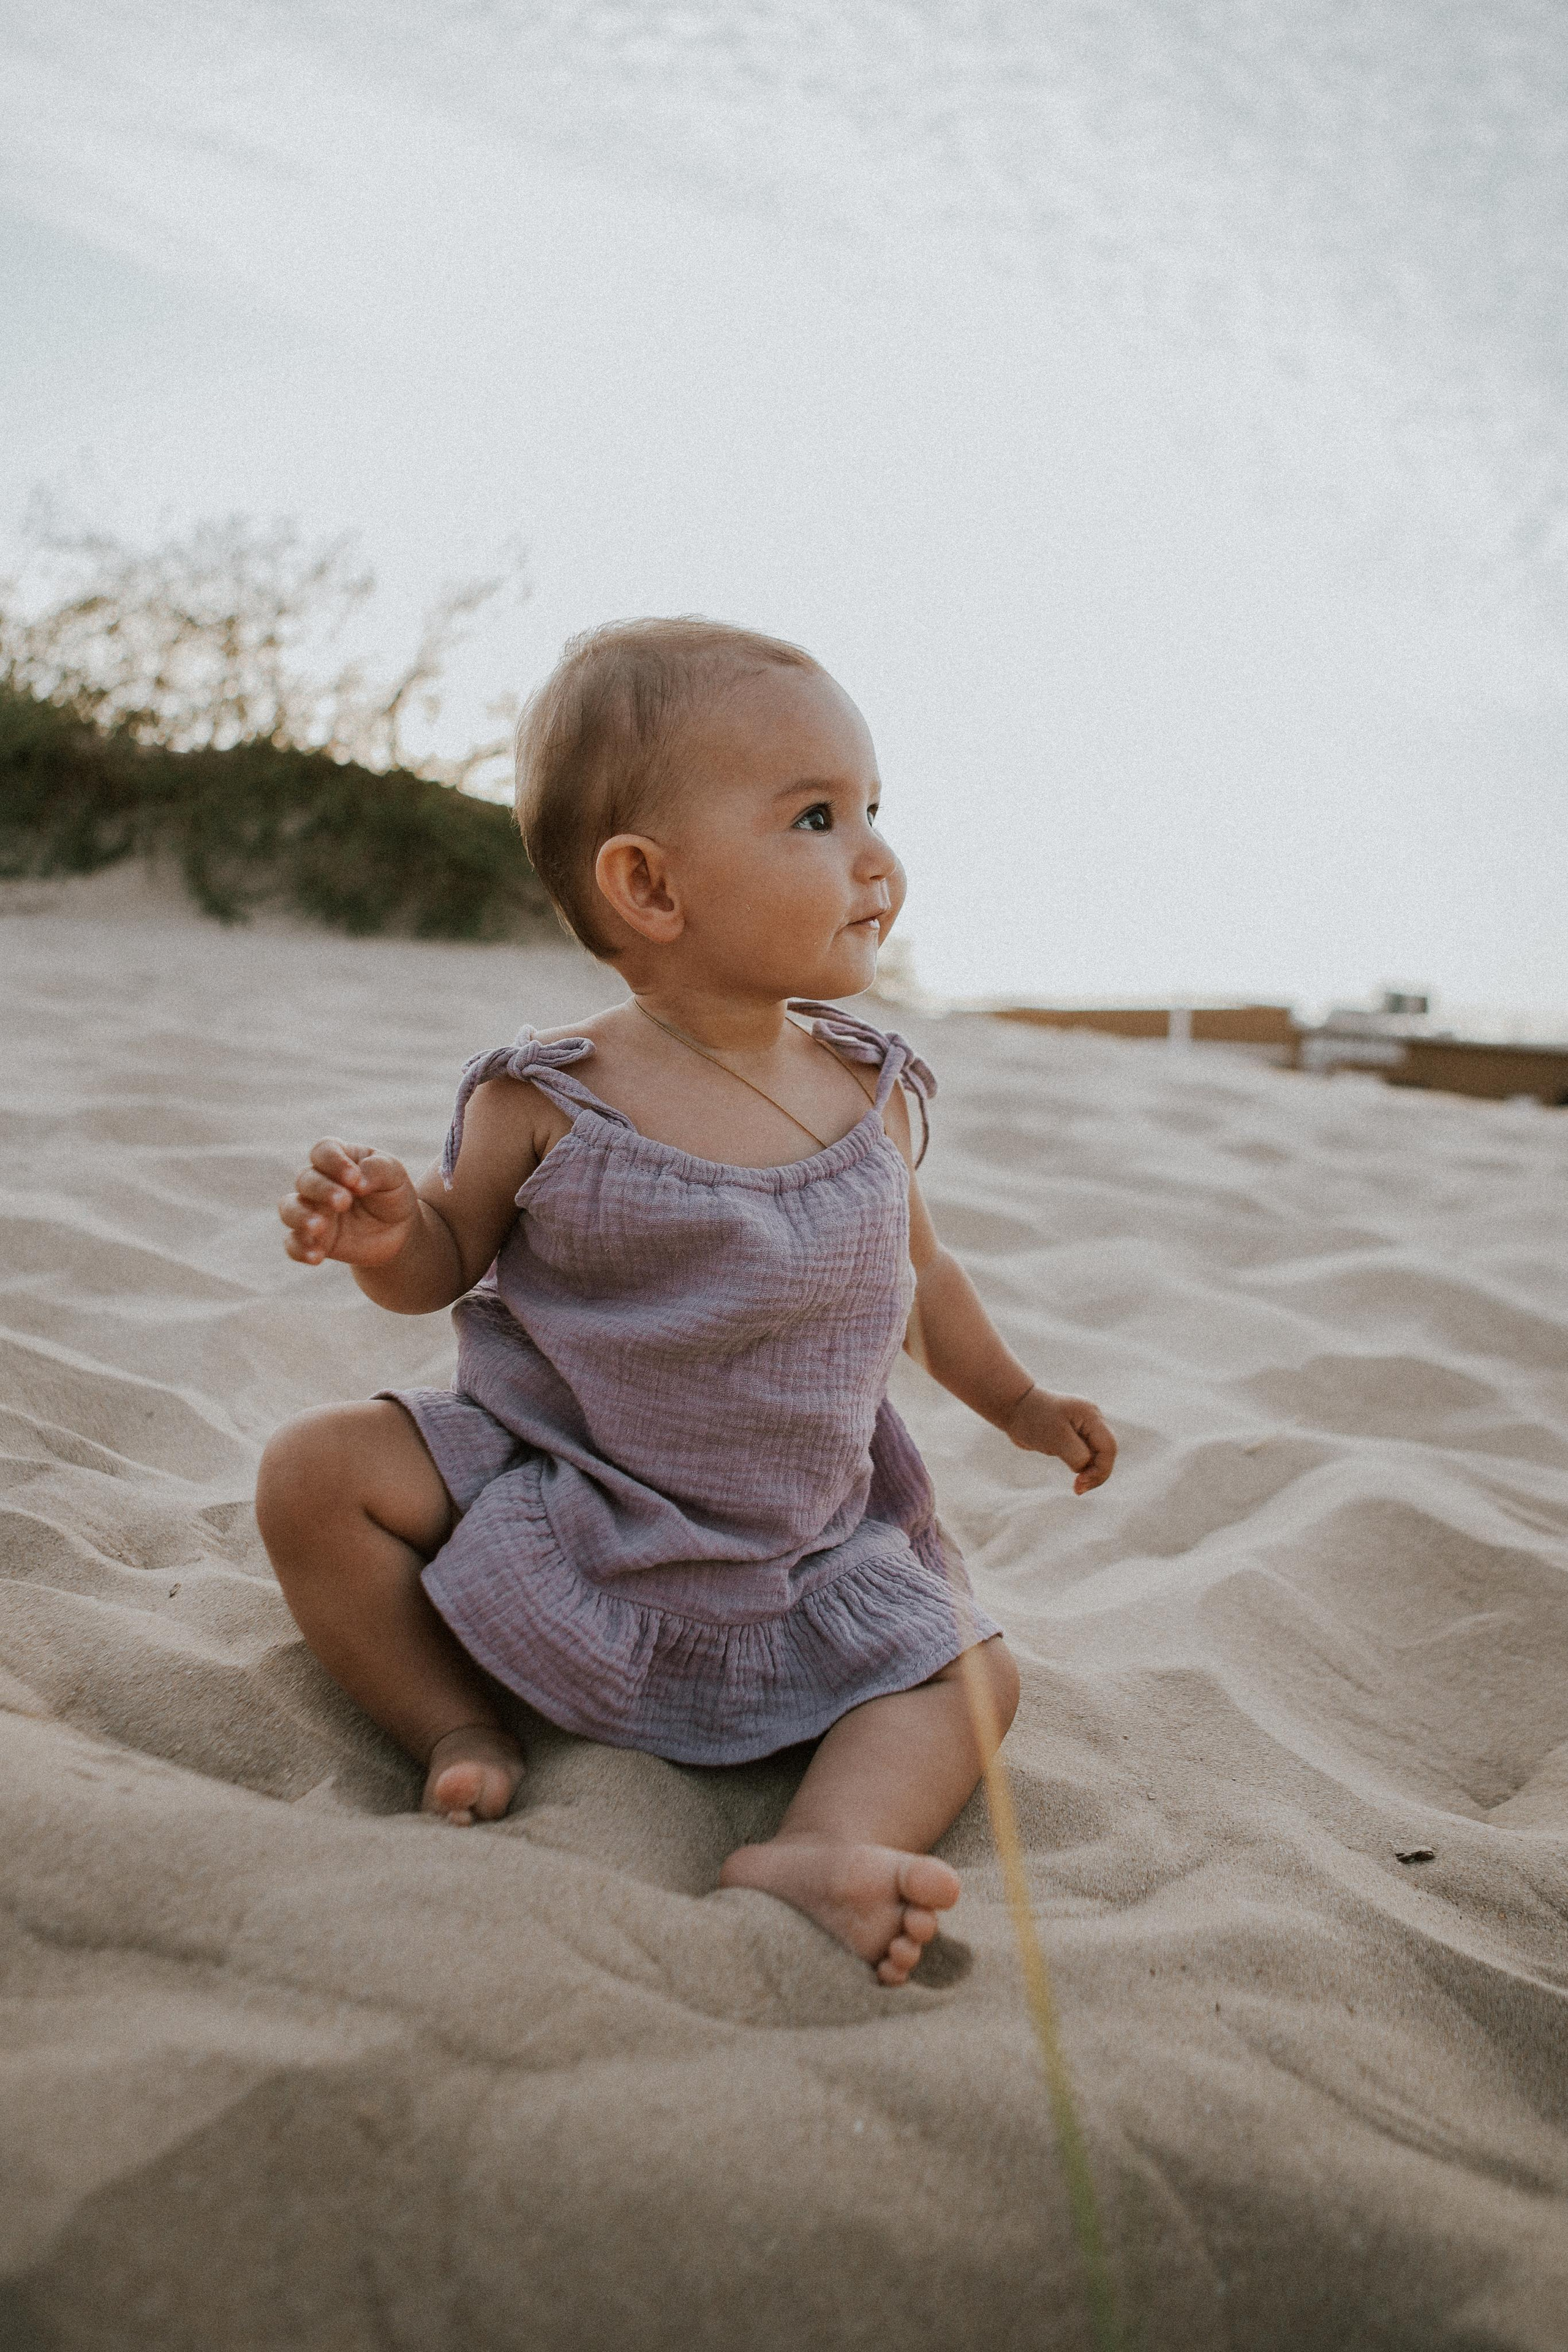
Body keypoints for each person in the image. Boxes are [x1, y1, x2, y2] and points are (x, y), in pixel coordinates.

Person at [257, 619, 1116, 1985]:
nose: (876, 858)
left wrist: (1015, 1401)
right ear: (649, 886)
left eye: (875, 811)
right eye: (818, 818)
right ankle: (450, 1724)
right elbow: (445, 1260)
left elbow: (923, 1278)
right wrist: (385, 1236)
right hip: (567, 1489)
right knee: (313, 1473)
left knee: (970, 1672)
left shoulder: (864, 1093)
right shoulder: (545, 1096)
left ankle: (822, 1841)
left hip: (794, 1549)